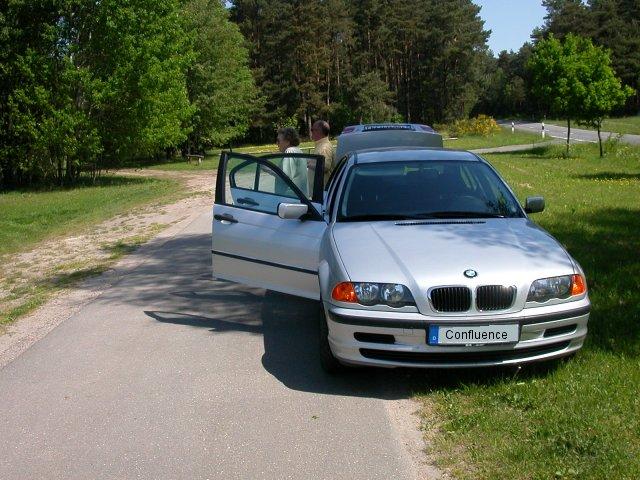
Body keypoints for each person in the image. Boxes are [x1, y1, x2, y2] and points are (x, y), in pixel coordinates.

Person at [276, 127, 307, 195]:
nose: (277, 143)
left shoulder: (289, 151)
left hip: (290, 198)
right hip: (298, 197)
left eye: (278, 141)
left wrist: (269, 169)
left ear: (287, 142)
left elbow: (285, 176)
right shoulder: (298, 151)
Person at [309, 120, 335, 187]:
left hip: (321, 192)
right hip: (319, 190)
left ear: (319, 131)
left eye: (312, 130)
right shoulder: (321, 145)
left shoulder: (324, 147)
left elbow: (325, 166)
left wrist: (308, 164)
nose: (311, 132)